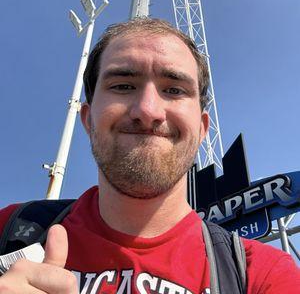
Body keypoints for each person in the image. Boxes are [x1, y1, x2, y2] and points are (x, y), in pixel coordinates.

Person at [0, 18, 299, 293]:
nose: (148, 110)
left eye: (174, 90)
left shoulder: (262, 274)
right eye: (123, 85)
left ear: (202, 127)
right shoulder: (10, 230)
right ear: (88, 120)